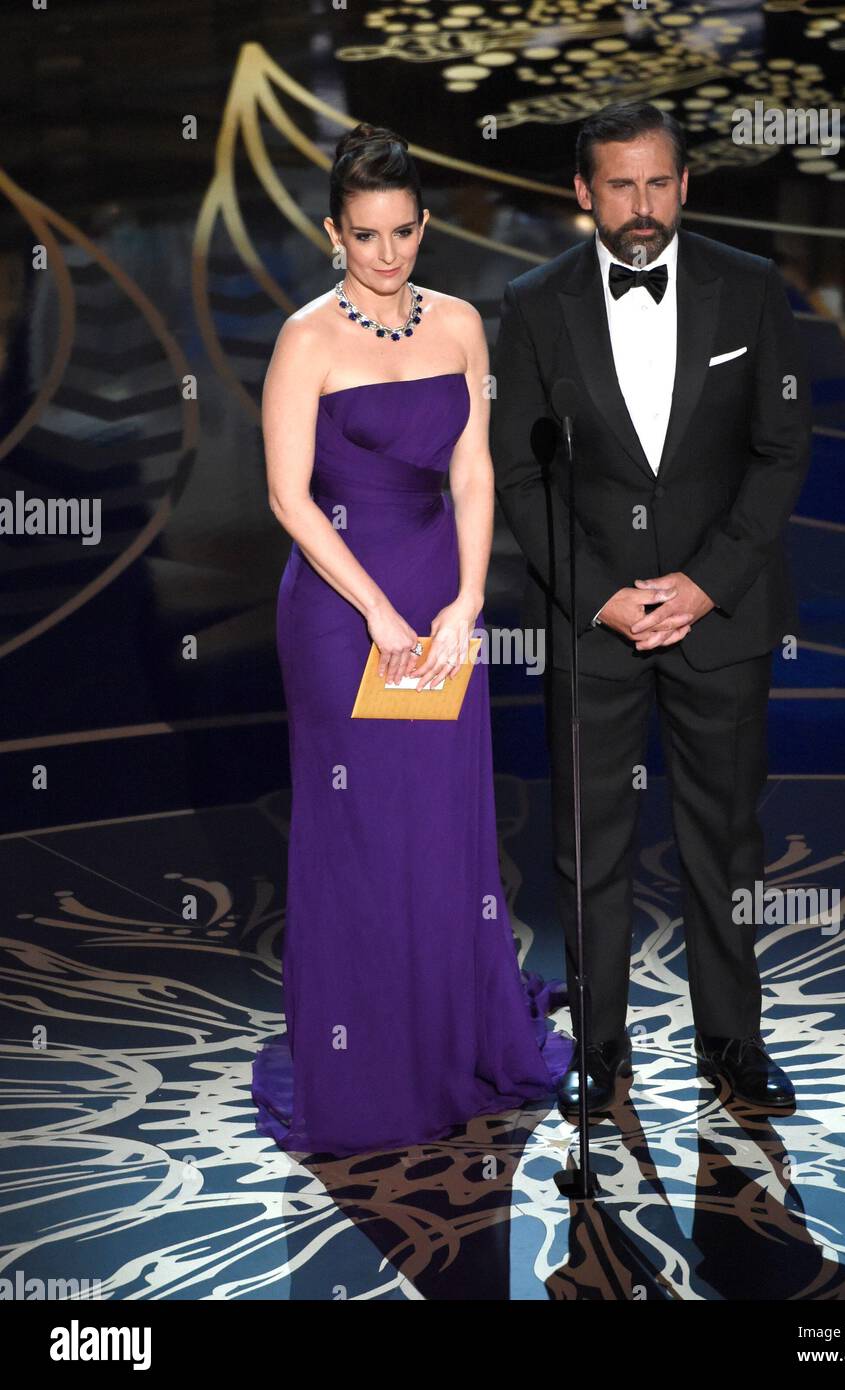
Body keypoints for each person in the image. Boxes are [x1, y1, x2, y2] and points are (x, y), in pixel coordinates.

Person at [252, 123, 573, 1158]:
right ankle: (366, 1059)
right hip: (342, 613)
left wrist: (470, 598)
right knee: (361, 833)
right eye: (364, 236)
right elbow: (287, 498)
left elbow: (474, 469)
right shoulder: (305, 338)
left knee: (442, 827)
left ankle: (454, 1035)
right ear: (332, 233)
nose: (385, 256)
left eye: (401, 234)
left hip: (442, 600)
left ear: (424, 225)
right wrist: (377, 613)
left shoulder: (464, 325)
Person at [490, 100, 813, 1118]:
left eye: (659, 182)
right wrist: (603, 600)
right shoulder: (532, 304)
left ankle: (732, 1040)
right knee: (590, 851)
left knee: (726, 843)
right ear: (582, 192)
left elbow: (779, 452)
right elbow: (519, 473)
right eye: (620, 185)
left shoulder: (751, 289)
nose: (642, 206)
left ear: (686, 184)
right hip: (596, 628)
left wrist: (705, 582)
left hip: (721, 617)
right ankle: (597, 1050)